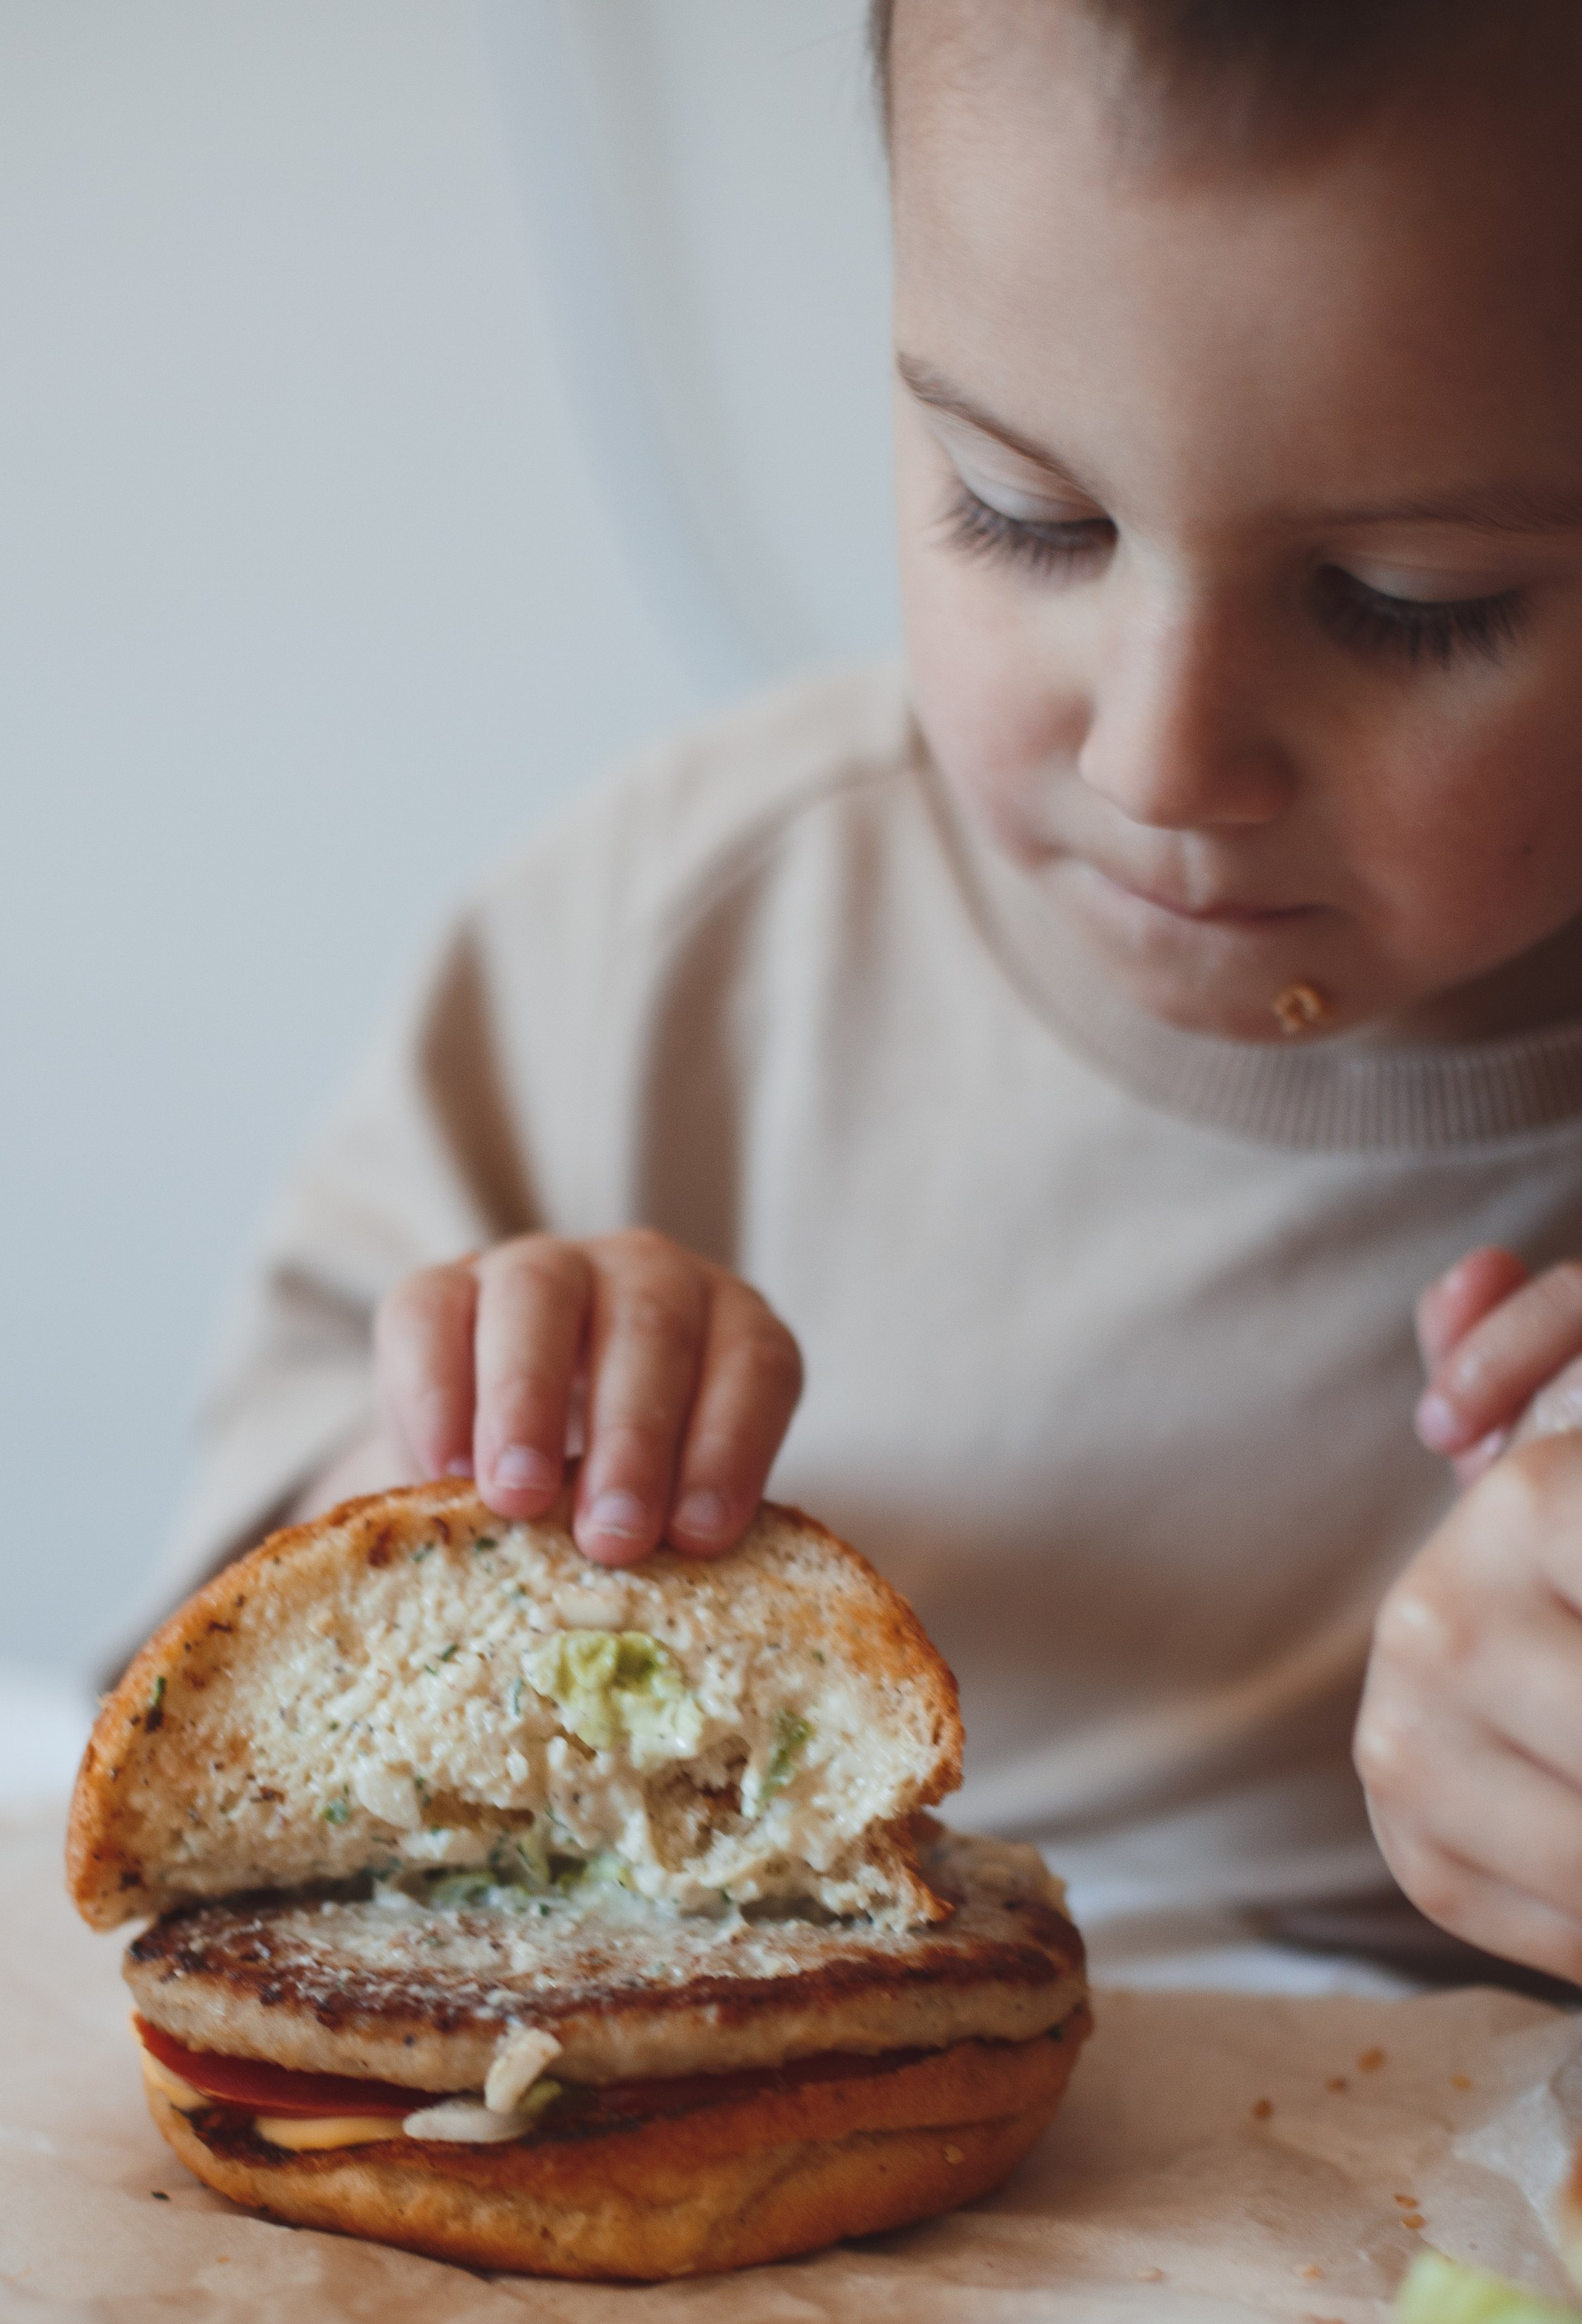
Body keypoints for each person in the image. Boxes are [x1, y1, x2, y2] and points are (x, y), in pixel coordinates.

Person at [158, 0, 1582, 1983]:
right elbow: (194, 1682)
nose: (1155, 761)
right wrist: (447, 1501)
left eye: (1404, 601)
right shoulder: (679, 941)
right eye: (1023, 513)